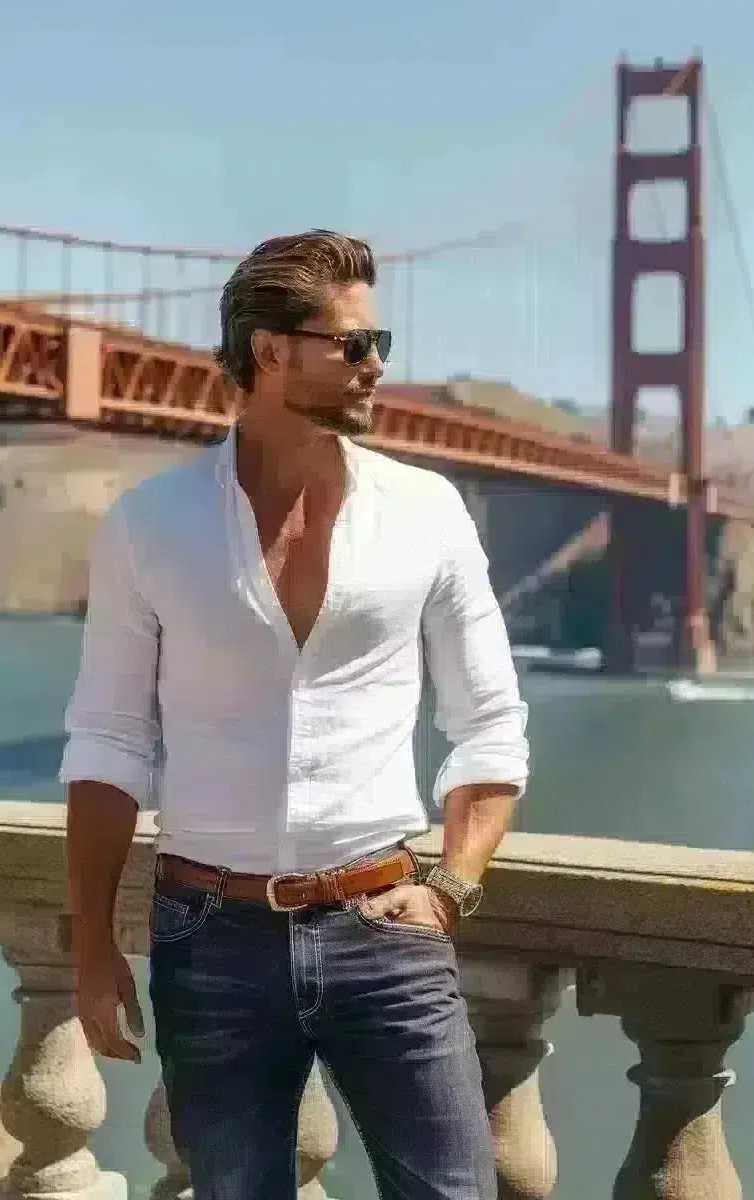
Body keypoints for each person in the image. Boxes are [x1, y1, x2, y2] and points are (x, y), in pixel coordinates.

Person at [60, 229, 529, 1200]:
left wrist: (452, 887)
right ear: (270, 352)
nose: (378, 365)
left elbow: (489, 723)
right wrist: (95, 945)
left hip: (387, 929)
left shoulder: (429, 510)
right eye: (354, 343)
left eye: (379, 341)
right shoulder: (151, 524)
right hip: (209, 940)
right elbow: (107, 741)